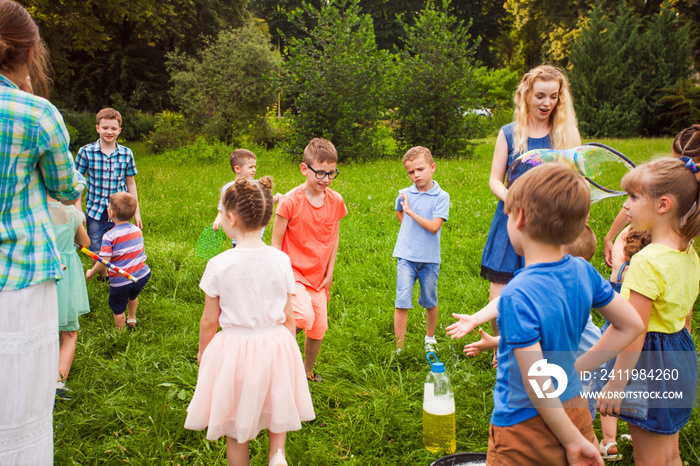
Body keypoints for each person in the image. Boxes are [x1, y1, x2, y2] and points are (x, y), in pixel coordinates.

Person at [448, 163, 643, 465]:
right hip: (575, 406)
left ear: (520, 217)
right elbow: (631, 324)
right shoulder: (582, 270)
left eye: (508, 214)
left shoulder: (516, 294)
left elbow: (536, 381)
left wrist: (572, 441)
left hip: (524, 427)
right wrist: (578, 368)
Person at [0, 0, 86, 462]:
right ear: (28, 52)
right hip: (21, 275)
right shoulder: (36, 113)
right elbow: (67, 188)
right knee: (21, 397)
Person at [185, 177, 315, 466]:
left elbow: (209, 321)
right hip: (276, 343)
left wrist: (204, 353)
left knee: (234, 426)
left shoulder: (218, 264)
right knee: (277, 403)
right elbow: (290, 314)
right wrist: (289, 350)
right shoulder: (281, 260)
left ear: (231, 218)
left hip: (236, 348)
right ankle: (277, 453)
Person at [597, 157, 700, 466]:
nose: (626, 206)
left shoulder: (646, 261)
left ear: (663, 205)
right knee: (670, 453)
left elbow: (634, 331)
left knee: (650, 459)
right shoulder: (688, 250)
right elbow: (686, 317)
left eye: (633, 197)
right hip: (679, 353)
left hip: (647, 364)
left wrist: (615, 384)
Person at [480, 65, 581, 364]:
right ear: (526, 96)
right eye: (540, 96)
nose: (546, 103)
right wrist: (515, 199)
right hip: (512, 219)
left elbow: (576, 180)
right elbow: (494, 180)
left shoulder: (567, 134)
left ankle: (540, 349)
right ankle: (503, 348)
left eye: (553, 96)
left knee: (545, 291)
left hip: (549, 224)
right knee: (499, 294)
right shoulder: (510, 133)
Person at [271, 138, 347, 382]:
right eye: (320, 173)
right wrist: (279, 277)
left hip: (318, 276)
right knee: (303, 316)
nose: (326, 179)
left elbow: (333, 236)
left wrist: (330, 272)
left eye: (331, 173)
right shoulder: (290, 201)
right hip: (292, 272)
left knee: (318, 327)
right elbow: (275, 242)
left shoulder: (336, 200)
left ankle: (305, 372)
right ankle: (281, 365)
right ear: (305, 169)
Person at [603, 124, 700, 267]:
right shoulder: (665, 180)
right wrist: (609, 237)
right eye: (675, 162)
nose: (678, 169)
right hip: (650, 247)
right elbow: (633, 204)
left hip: (669, 256)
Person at [597, 226, 650, 461]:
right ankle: (635, 430)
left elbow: (619, 240)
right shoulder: (651, 269)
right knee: (638, 382)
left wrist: (614, 236)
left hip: (615, 333)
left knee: (608, 382)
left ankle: (609, 441)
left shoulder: (621, 258)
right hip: (647, 339)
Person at [392, 146, 450, 352]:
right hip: (406, 256)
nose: (416, 175)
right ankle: (399, 348)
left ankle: (430, 338)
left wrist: (410, 214)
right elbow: (400, 214)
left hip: (429, 259)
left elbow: (434, 227)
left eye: (420, 169)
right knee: (402, 301)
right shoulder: (405, 194)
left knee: (429, 300)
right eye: (411, 172)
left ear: (432, 167)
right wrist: (409, 225)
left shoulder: (442, 196)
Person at [76, 108, 142, 267]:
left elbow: (130, 183)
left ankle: (115, 273)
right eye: (105, 128)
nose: (109, 131)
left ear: (119, 130)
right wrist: (78, 209)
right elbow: (77, 183)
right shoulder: (86, 152)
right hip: (95, 211)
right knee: (96, 248)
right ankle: (102, 274)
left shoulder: (127, 154)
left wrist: (136, 211)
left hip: (120, 211)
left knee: (119, 245)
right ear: (97, 128)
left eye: (113, 128)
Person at [86, 192, 151, 329]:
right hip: (141, 275)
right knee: (132, 295)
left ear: (111, 214)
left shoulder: (109, 236)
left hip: (122, 280)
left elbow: (104, 261)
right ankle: (132, 319)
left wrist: (91, 273)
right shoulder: (136, 230)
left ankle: (120, 334)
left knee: (117, 304)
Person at [47, 196, 91, 401]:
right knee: (69, 333)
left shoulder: (35, 211)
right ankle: (58, 381)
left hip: (43, 274)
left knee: (46, 328)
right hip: (65, 277)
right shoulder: (72, 213)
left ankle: (41, 375)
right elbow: (85, 242)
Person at [212, 149, 280, 246]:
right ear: (237, 169)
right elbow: (222, 209)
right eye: (250, 167)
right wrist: (218, 220)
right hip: (238, 236)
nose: (254, 170)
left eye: (255, 166)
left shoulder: (258, 187)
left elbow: (262, 205)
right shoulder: (228, 188)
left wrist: (274, 199)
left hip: (256, 235)